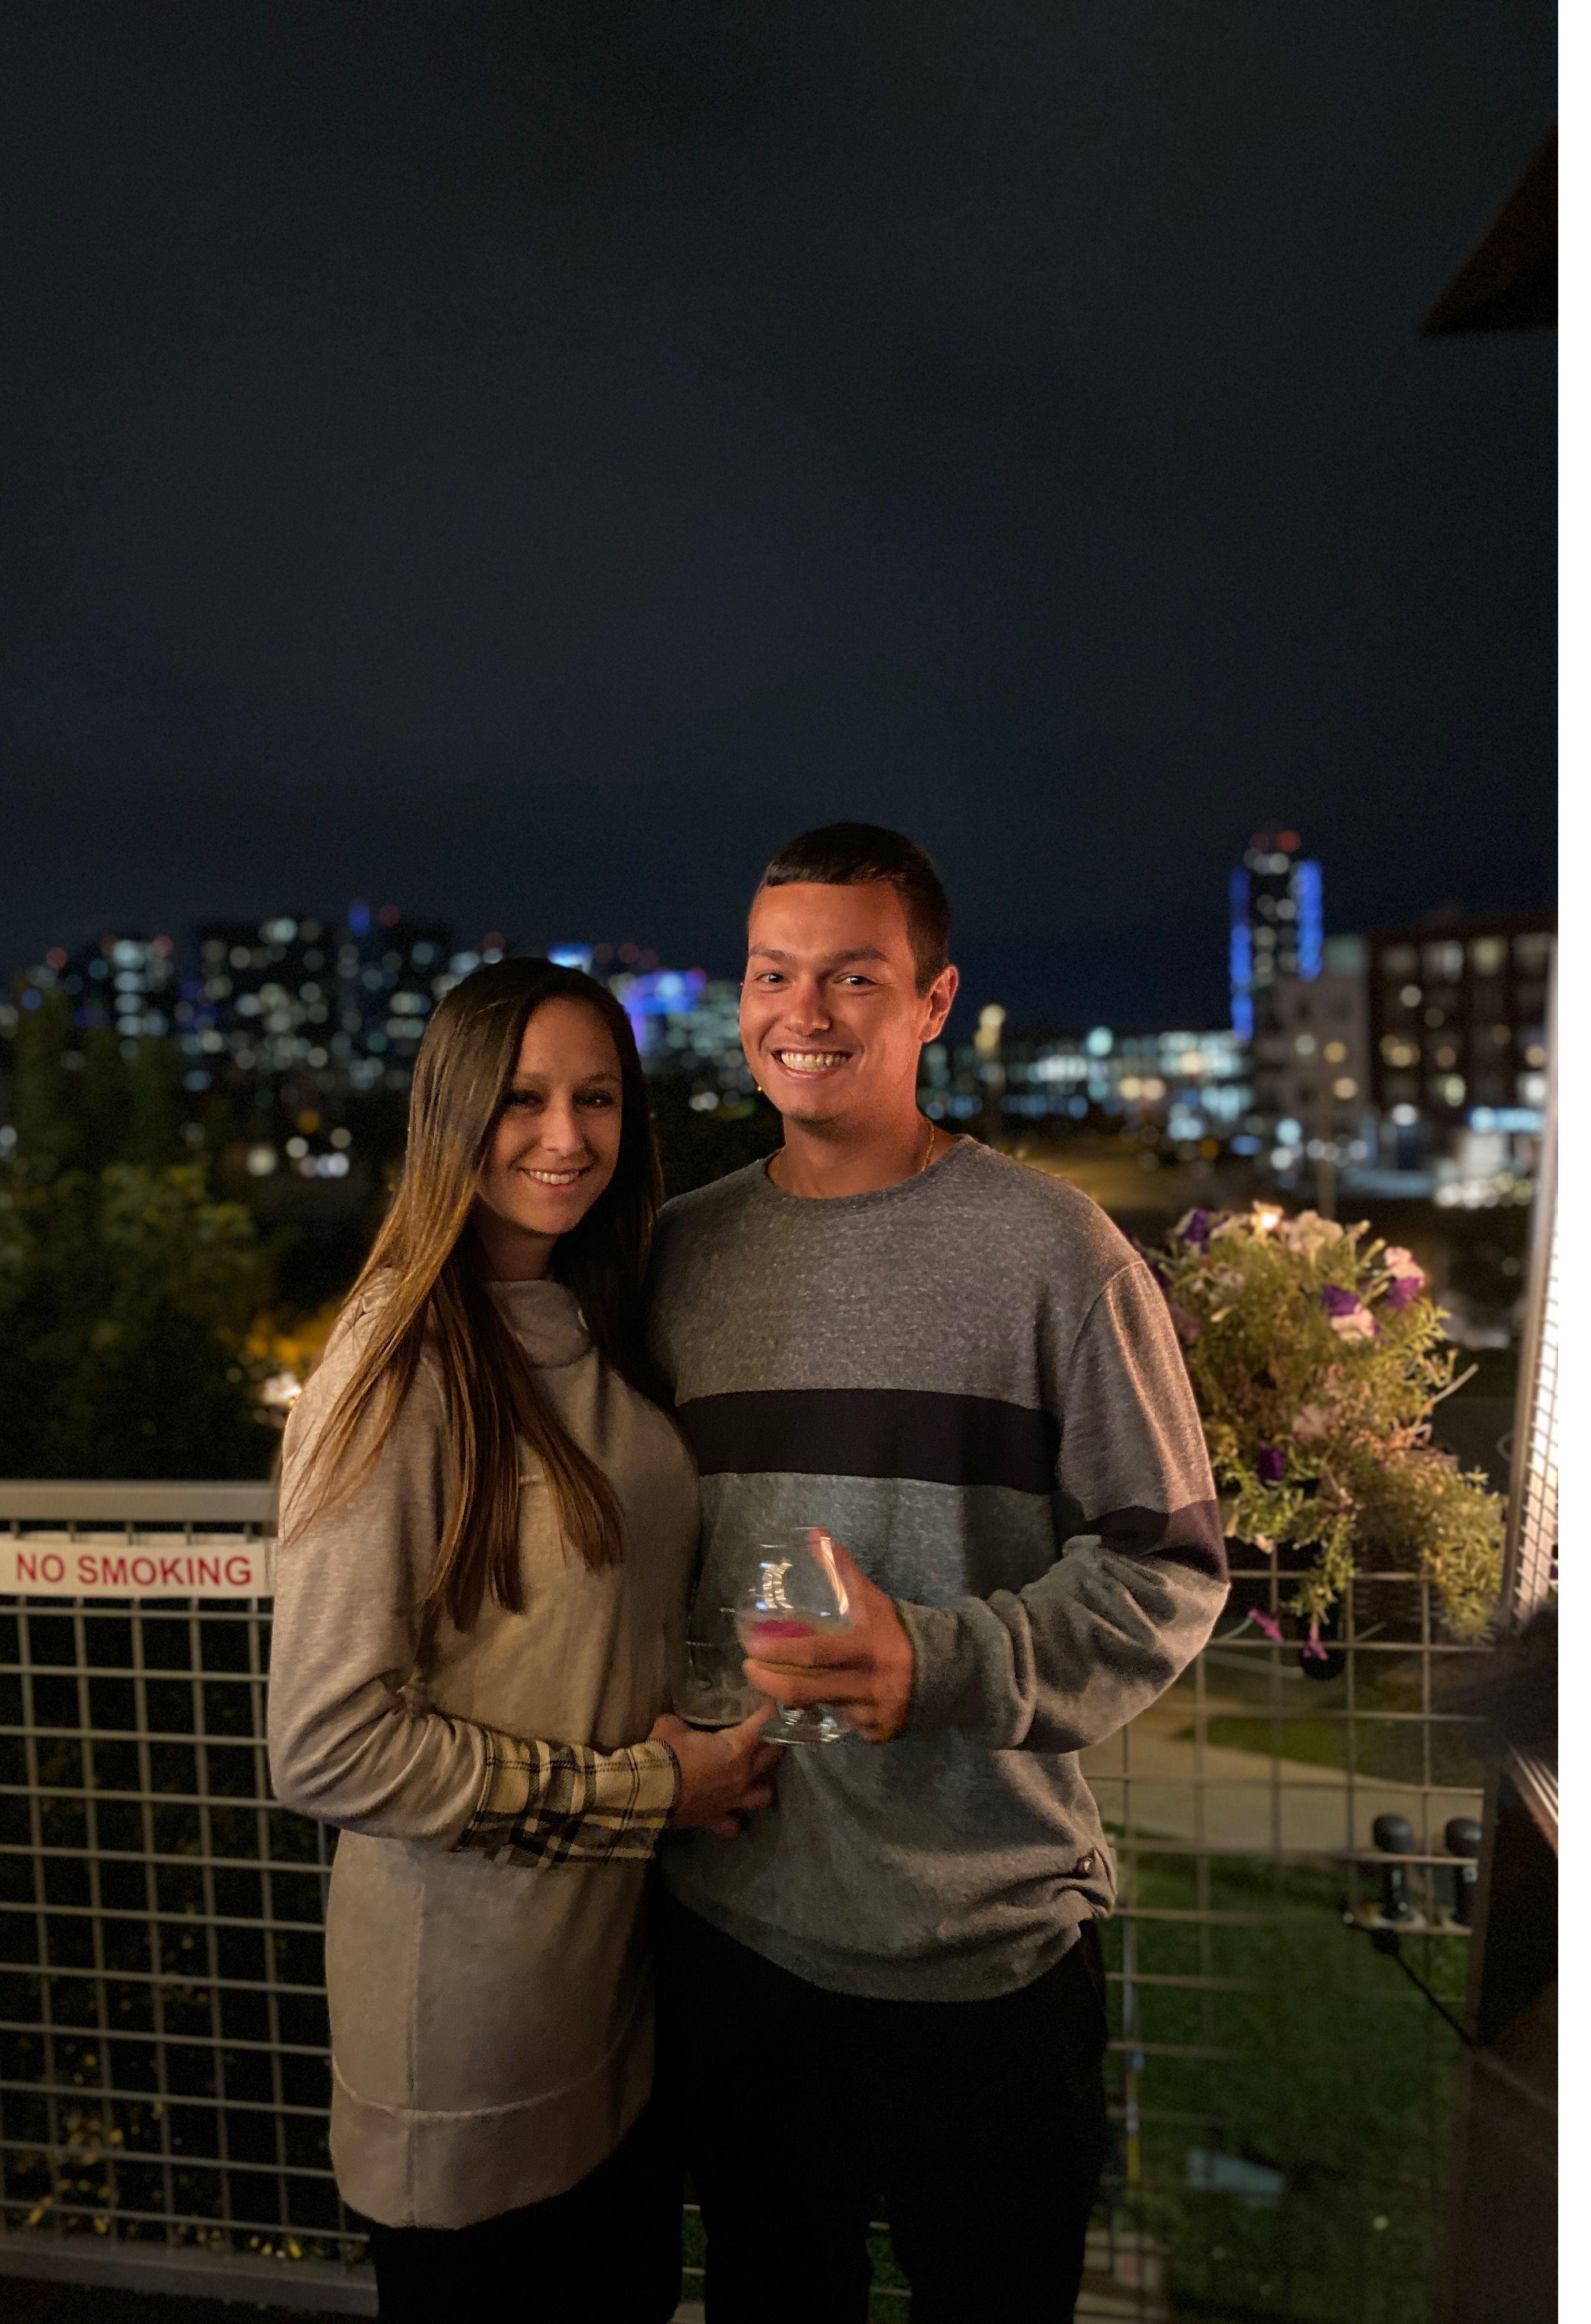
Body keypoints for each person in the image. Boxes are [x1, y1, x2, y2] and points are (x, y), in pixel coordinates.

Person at [649, 824, 1230, 2324]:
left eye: (853, 976)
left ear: (935, 1002)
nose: (803, 1011)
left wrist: (941, 1661)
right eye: (772, 973)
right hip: (737, 1930)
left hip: (986, 1956)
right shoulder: (674, 1258)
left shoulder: (1057, 1255)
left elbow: (1168, 1569)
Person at [267, 956, 779, 2324]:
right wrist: (647, 1794)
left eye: (597, 1098)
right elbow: (325, 1745)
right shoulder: (398, 1365)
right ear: (452, 1115)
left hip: (612, 2006)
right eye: (522, 1098)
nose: (565, 1136)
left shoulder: (593, 1320)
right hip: (467, 2047)